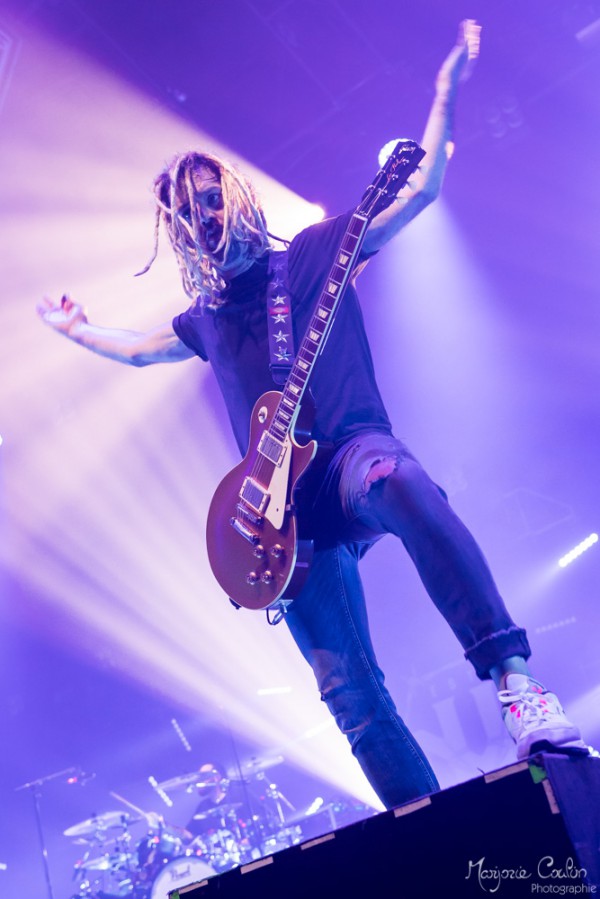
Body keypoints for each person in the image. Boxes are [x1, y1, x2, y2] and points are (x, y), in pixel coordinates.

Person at [37, 21, 585, 810]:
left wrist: (444, 94)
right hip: (281, 512)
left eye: (210, 201)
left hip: (348, 455)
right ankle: (425, 823)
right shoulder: (207, 319)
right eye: (187, 214)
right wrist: (78, 328)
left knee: (398, 480)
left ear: (236, 199)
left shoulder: (312, 254)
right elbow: (140, 352)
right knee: (347, 691)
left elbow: (422, 191)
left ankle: (516, 686)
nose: (203, 218)